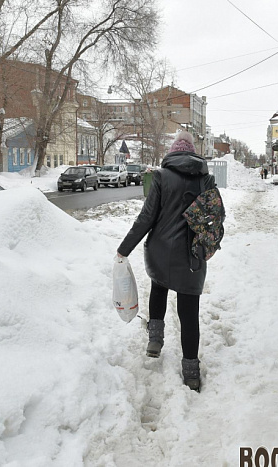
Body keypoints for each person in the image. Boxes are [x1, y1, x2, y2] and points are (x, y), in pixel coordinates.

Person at [117, 131, 218, 391]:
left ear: (173, 153)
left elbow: (146, 218)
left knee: (158, 288)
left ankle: (155, 341)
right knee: (188, 312)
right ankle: (191, 372)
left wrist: (123, 249)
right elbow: (215, 218)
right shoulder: (206, 180)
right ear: (194, 153)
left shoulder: (161, 177)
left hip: (160, 250)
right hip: (191, 255)